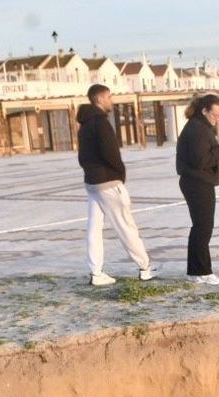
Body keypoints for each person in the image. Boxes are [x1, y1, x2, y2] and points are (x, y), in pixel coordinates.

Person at [77, 83, 159, 287]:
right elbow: (111, 153)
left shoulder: (85, 124)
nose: (111, 101)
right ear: (100, 99)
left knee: (94, 228)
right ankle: (145, 267)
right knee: (126, 226)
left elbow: (83, 156)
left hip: (92, 182)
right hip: (108, 182)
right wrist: (120, 173)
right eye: (109, 97)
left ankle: (96, 272)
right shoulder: (101, 123)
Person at [175, 93, 219, 285]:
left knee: (200, 227)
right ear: (204, 111)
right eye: (214, 115)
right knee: (203, 227)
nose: (217, 119)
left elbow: (205, 157)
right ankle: (202, 271)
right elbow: (202, 160)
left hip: (198, 181)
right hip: (197, 182)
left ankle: (195, 272)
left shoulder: (200, 127)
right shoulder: (197, 129)